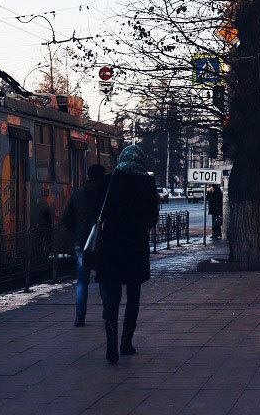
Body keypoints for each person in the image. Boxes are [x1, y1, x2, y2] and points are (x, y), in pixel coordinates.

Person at [94, 145, 159, 364]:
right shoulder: (147, 183)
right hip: (135, 247)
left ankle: (111, 340)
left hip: (111, 246)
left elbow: (98, 211)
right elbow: (153, 219)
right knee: (133, 296)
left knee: (111, 298)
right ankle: (126, 342)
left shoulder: (109, 181)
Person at [61, 163, 107, 327]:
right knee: (104, 278)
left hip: (82, 242)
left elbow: (66, 218)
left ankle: (79, 317)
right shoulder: (105, 194)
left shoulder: (78, 193)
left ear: (88, 175)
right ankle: (107, 312)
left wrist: (79, 233)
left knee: (82, 281)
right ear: (102, 176)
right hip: (102, 242)